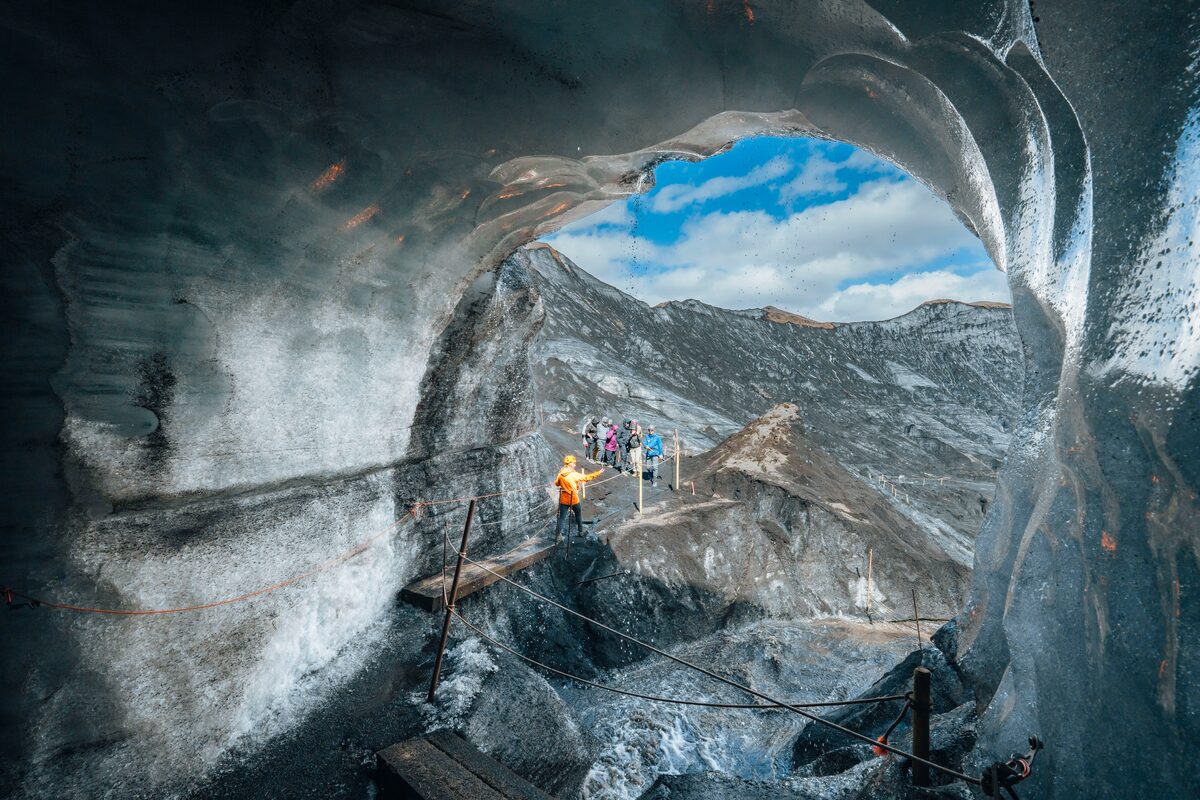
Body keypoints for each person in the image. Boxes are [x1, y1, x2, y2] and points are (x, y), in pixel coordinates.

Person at [554, 455, 602, 542]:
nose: (575, 465)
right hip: (574, 499)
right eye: (573, 463)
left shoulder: (560, 473)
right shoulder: (574, 474)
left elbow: (557, 483)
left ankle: (558, 536)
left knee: (561, 518)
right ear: (569, 464)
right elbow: (586, 478)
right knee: (578, 515)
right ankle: (580, 532)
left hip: (564, 499)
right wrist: (598, 473)